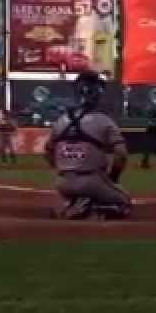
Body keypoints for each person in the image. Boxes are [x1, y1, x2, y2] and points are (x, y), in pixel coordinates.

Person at [44, 71, 131, 220]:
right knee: (125, 203)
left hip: (62, 183)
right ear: (97, 93)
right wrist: (113, 177)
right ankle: (91, 209)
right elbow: (121, 155)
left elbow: (47, 152)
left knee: (87, 191)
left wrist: (64, 168)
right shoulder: (103, 121)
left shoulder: (61, 120)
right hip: (91, 180)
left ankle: (74, 203)